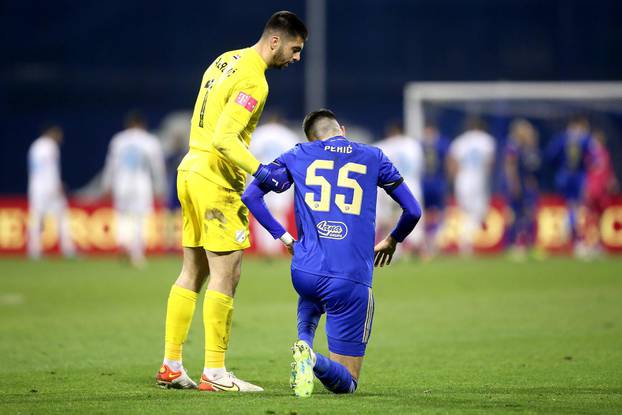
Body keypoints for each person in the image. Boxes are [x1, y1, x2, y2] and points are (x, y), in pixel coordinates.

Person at [155, 11, 307, 392]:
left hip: (190, 169)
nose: (296, 57)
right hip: (216, 179)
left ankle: (172, 364)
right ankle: (215, 372)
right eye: (295, 48)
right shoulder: (254, 80)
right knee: (228, 274)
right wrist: (262, 172)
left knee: (193, 270)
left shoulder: (225, 59)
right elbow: (225, 138)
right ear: (276, 41)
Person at [242, 109, 422, 397]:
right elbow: (413, 210)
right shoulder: (374, 156)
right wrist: (393, 239)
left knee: (313, 294)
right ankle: (311, 359)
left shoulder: (299, 153)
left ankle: (304, 342)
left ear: (311, 138)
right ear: (343, 129)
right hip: (349, 278)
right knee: (348, 382)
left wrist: (285, 238)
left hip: (304, 271)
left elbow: (251, 195)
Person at [101, 111, 166, 267]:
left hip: (121, 183)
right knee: (140, 219)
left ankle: (123, 243)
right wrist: (160, 186)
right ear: (142, 124)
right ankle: (137, 254)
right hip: (141, 184)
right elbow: (157, 166)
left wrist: (107, 184)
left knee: (123, 216)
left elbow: (111, 166)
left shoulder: (118, 140)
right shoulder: (149, 141)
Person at [248, 114, 300, 255]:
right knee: (278, 212)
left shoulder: (260, 132)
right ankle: (276, 248)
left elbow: (251, 156)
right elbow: (296, 158)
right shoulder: (287, 134)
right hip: (282, 178)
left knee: (261, 212)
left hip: (261, 176)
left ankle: (264, 249)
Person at [447, 117, 496, 254]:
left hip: (463, 180)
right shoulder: (487, 140)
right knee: (479, 211)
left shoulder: (460, 141)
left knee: (466, 213)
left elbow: (452, 163)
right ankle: (467, 241)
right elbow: (489, 163)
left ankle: (466, 243)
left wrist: (452, 181)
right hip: (478, 179)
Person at [375, 122, 425, 255]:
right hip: (411, 185)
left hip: (389, 188)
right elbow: (419, 167)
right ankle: (416, 249)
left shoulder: (382, 145)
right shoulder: (413, 145)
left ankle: (393, 252)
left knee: (389, 220)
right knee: (413, 217)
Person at [27, 125, 76, 259]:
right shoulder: (50, 146)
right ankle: (67, 249)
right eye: (59, 135)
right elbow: (51, 169)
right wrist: (58, 185)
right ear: (52, 133)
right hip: (50, 187)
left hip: (36, 187)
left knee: (37, 218)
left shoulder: (35, 146)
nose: (60, 138)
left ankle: (34, 250)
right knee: (62, 216)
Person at [545, 116, 593, 252]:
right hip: (578, 178)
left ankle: (570, 239)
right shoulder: (585, 139)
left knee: (570, 207)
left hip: (564, 177)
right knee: (578, 208)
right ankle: (578, 241)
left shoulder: (562, 138)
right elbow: (594, 159)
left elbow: (550, 155)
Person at [502, 119, 541, 259]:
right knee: (515, 215)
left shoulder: (528, 148)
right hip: (518, 186)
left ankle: (528, 244)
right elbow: (510, 166)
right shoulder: (513, 146)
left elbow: (532, 169)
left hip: (527, 186)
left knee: (528, 214)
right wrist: (514, 183)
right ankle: (513, 244)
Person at [421, 123, 450, 254]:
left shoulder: (420, 144)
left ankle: (430, 243)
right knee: (437, 213)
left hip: (426, 182)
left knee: (427, 213)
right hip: (437, 182)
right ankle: (432, 242)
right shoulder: (442, 144)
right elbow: (448, 162)